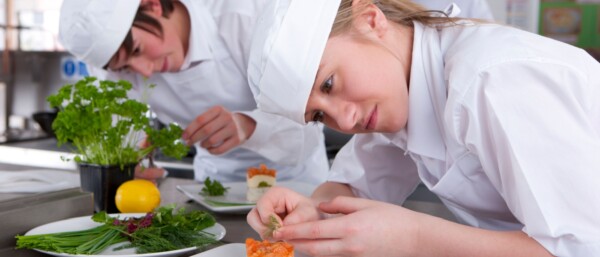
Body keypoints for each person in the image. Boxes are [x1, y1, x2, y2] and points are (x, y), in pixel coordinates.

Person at [245, 0, 600, 256]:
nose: (347, 120)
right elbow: (356, 186)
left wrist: (414, 238)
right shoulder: (397, 94)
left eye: (328, 84)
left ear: (370, 19)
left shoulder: (493, 80)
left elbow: (579, 248)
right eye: (320, 117)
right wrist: (311, 211)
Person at [58, 0, 329, 184]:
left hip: (296, 181)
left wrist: (247, 125)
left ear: (152, 4)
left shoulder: (244, 16)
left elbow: (309, 127)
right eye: (125, 67)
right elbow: (124, 135)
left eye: (138, 50)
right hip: (214, 185)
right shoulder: (112, 64)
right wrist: (132, 165)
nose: (144, 71)